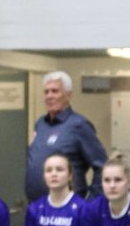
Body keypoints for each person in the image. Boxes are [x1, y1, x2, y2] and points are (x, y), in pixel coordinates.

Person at [25, 71, 107, 202]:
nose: (49, 96)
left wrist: (91, 203)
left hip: (69, 209)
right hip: (38, 207)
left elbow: (102, 167)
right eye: (46, 92)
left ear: (68, 95)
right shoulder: (40, 124)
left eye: (55, 91)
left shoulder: (79, 125)